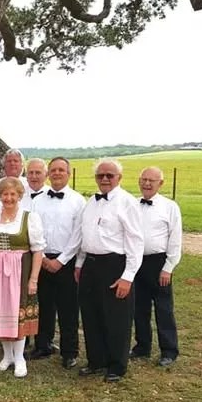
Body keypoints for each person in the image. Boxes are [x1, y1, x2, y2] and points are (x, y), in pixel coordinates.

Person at [74, 158, 144, 383]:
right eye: (100, 175)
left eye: (109, 175)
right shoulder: (90, 202)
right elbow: (85, 235)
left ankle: (117, 365)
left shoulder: (127, 202)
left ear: (119, 178)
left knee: (116, 318)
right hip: (90, 264)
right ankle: (96, 360)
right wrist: (79, 264)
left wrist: (128, 276)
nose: (104, 179)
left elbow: (136, 241)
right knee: (91, 314)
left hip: (114, 265)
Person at [0, 177, 45, 378]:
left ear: (19, 196)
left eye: (12, 194)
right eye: (5, 194)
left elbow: (38, 251)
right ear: (0, 196)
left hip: (19, 270)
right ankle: (7, 356)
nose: (8, 198)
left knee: (16, 312)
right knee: (1, 310)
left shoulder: (29, 218)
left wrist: (33, 279)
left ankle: (20, 357)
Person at [29, 157, 86, 369]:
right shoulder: (37, 201)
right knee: (43, 305)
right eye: (53, 170)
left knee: (68, 308)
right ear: (48, 174)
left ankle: (69, 351)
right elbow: (33, 230)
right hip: (41, 259)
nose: (57, 173)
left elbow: (78, 235)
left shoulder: (78, 201)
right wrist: (43, 257)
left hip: (66, 260)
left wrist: (61, 261)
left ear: (69, 174)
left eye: (61, 170)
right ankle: (42, 344)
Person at [131, 166, 183, 367]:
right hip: (136, 261)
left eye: (151, 180)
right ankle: (142, 346)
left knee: (163, 308)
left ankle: (169, 350)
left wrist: (168, 267)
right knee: (139, 307)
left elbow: (175, 239)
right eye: (143, 179)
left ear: (160, 183)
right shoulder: (132, 205)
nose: (147, 183)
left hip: (158, 263)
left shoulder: (170, 207)